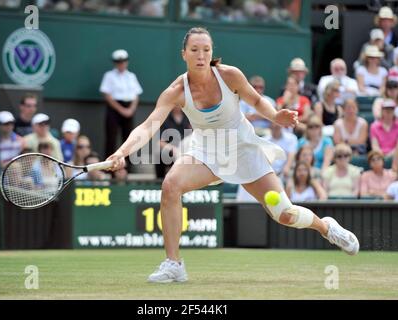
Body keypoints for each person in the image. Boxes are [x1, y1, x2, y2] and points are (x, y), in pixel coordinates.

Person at [104, 27, 360, 283]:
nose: (201, 56)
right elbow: (148, 126)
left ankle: (327, 228)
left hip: (243, 149)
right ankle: (174, 264)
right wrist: (122, 152)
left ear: (212, 52)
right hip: (205, 152)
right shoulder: (176, 91)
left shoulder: (230, 76)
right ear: (184, 54)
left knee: (284, 214)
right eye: (194, 50)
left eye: (206, 50)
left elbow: (257, 101)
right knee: (170, 185)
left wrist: (275, 115)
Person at [100, 49, 143, 170]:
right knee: (111, 138)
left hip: (129, 109)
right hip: (114, 109)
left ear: (127, 62)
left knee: (129, 138)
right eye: (118, 62)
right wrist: (121, 109)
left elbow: (136, 95)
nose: (121, 64)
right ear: (115, 63)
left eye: (123, 61)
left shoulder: (131, 76)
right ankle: (109, 168)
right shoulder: (109, 75)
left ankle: (128, 168)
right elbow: (107, 95)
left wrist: (130, 109)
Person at [155, 106, 191, 179]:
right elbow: (160, 142)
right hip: (171, 151)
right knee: (159, 155)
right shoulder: (164, 118)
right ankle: (159, 182)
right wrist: (172, 149)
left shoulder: (189, 117)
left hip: (187, 150)